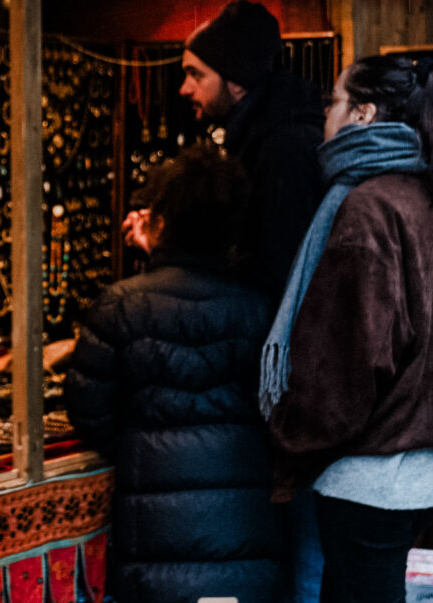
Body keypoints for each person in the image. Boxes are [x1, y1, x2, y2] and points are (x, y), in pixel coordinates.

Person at [262, 54, 433, 603]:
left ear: (363, 113)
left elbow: (349, 362)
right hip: (423, 470)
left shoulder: (368, 207)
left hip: (374, 475)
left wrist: (289, 435)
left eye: (334, 103)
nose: (325, 117)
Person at [66, 144, 288, 603]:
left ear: (161, 220)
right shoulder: (260, 309)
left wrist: (144, 442)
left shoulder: (122, 306)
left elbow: (89, 412)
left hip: (156, 535)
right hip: (244, 529)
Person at [123, 0, 325, 301]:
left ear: (237, 82)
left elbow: (273, 275)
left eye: (197, 75)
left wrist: (169, 253)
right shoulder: (260, 135)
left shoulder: (283, 149)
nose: (184, 89)